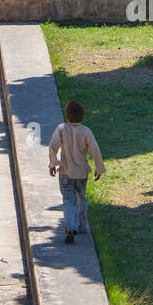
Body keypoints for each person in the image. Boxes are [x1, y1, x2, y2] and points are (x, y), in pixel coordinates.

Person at [48, 99, 105, 243]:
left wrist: (53, 163)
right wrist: (99, 168)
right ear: (83, 116)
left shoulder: (61, 129)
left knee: (69, 200)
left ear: (67, 116)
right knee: (82, 198)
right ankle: (82, 225)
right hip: (82, 173)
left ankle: (71, 228)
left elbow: (52, 146)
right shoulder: (86, 132)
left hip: (66, 172)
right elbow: (95, 150)